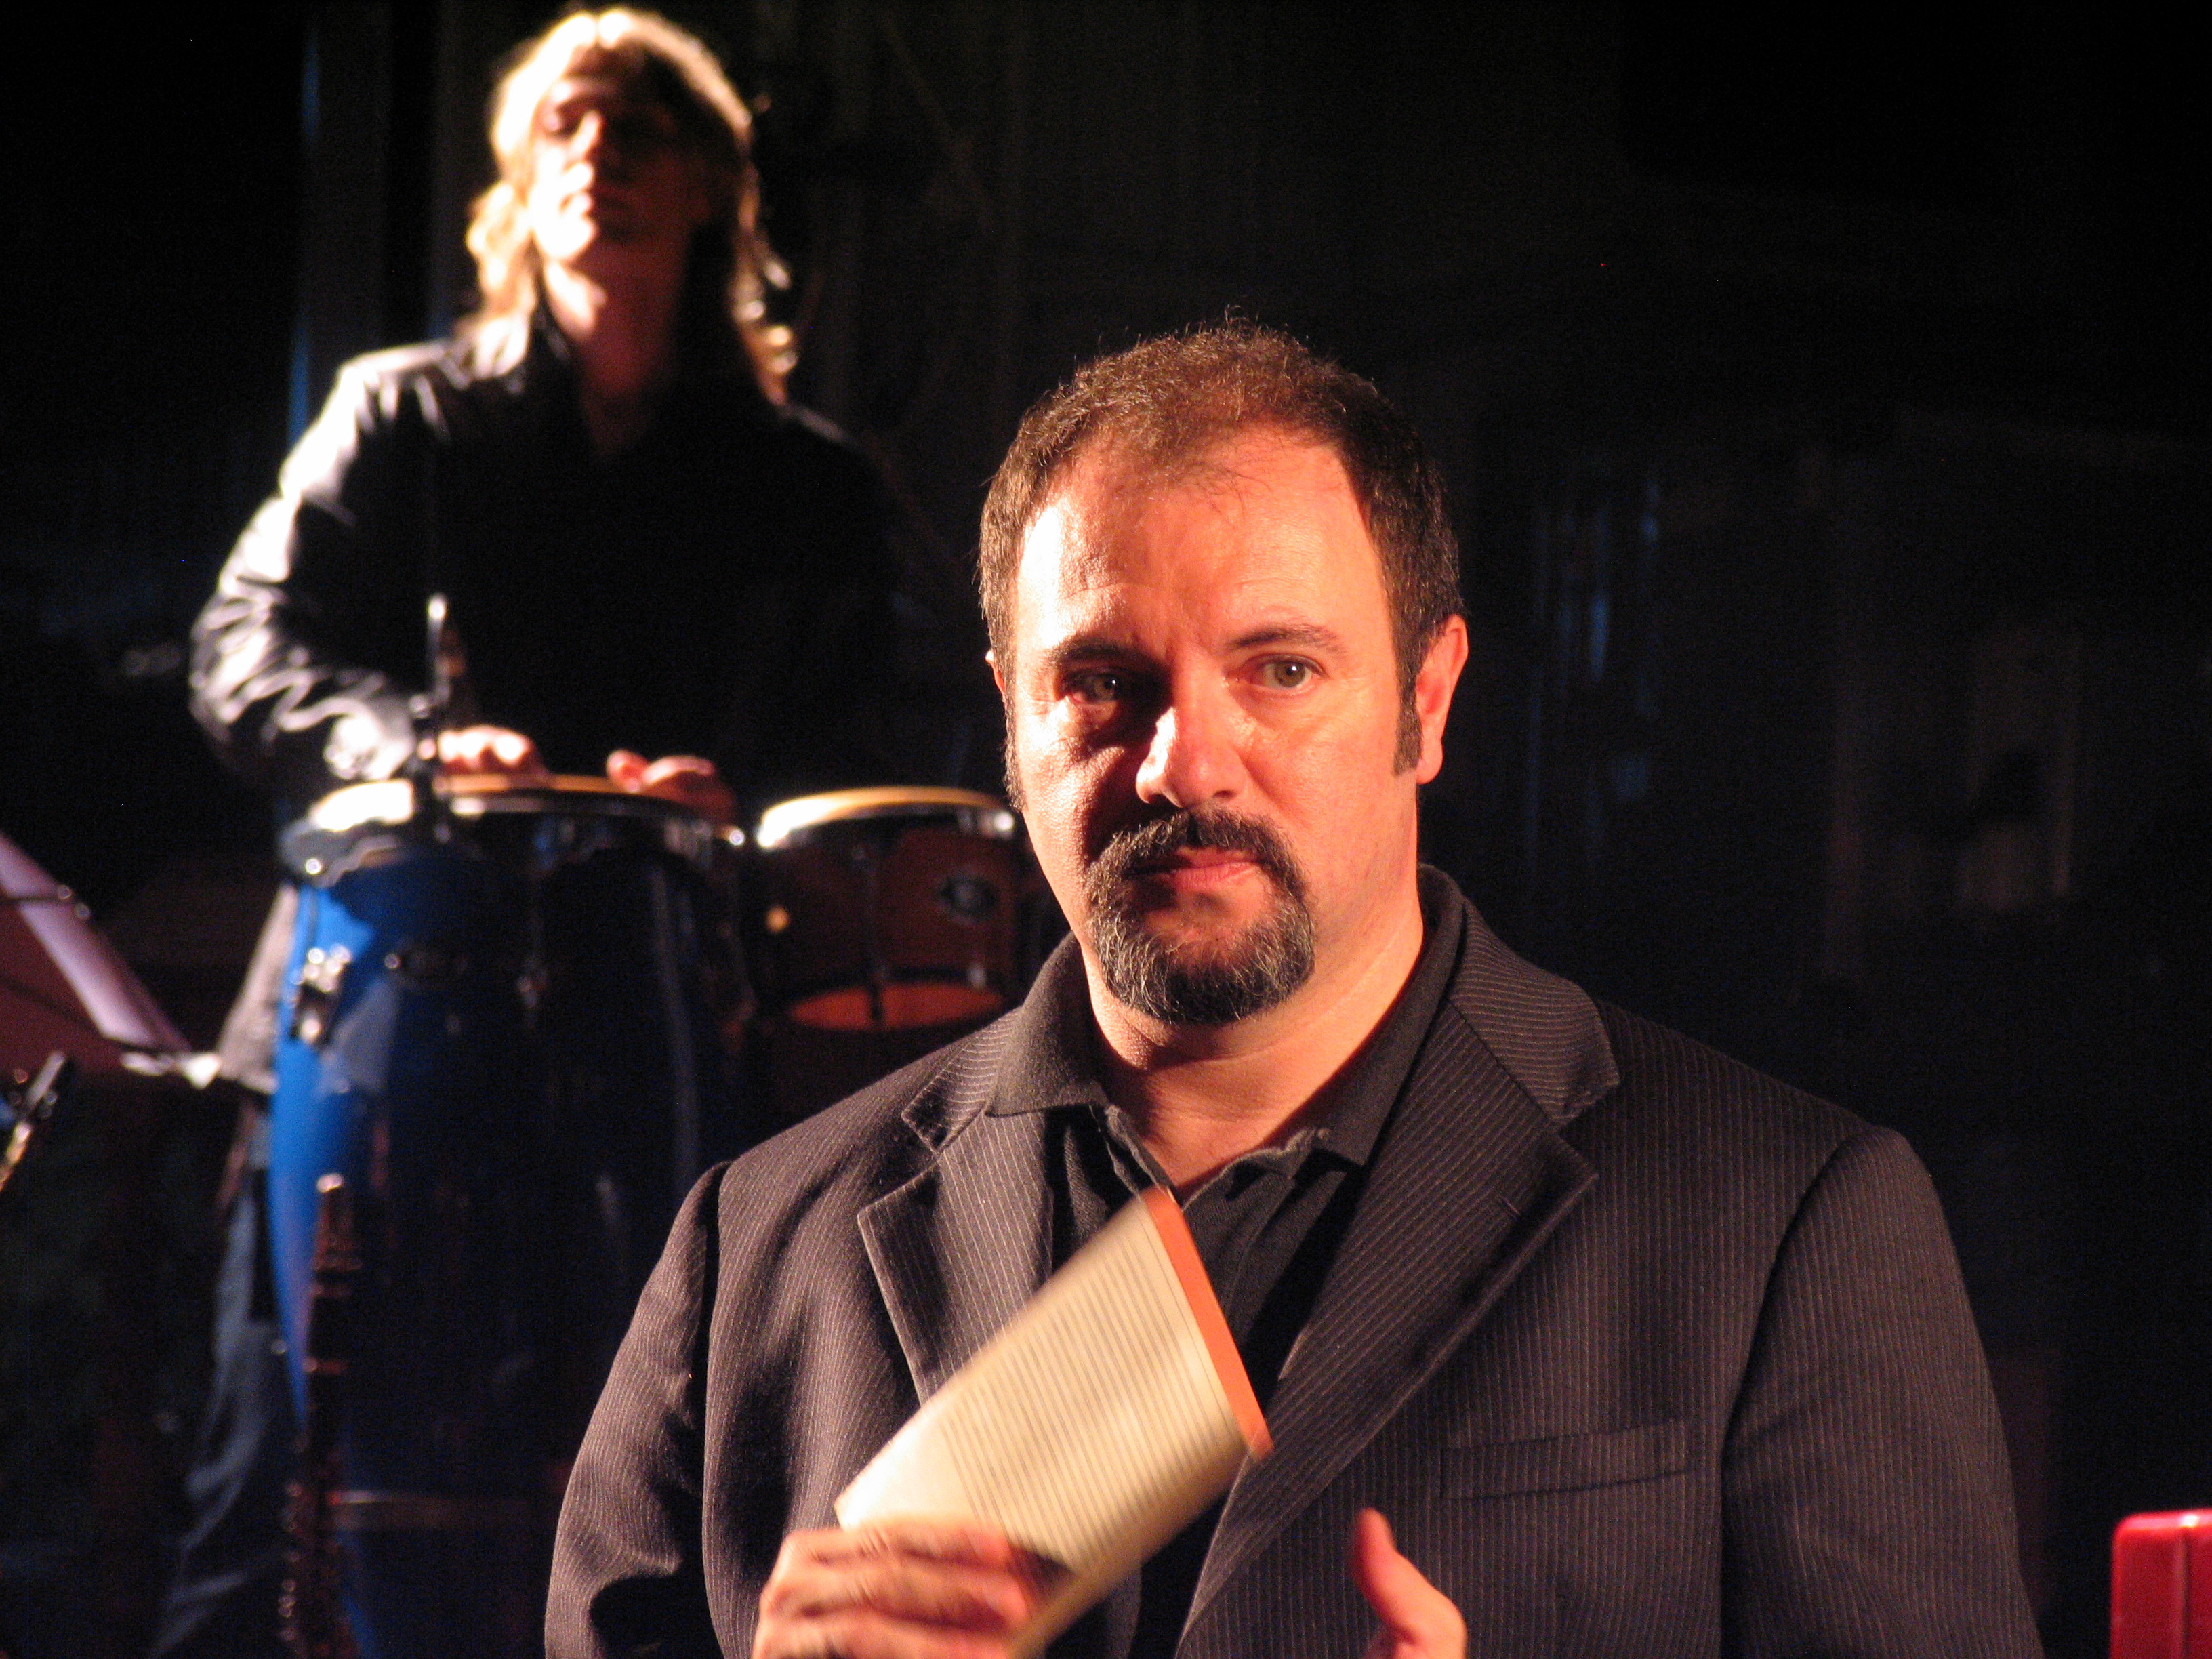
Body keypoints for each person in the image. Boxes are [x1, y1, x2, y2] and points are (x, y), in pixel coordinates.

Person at [544, 321, 2041, 1658]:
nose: (1183, 764)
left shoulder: (1783, 1227)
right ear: (1009, 713)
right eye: (1102, 682)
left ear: (1428, 700)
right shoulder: (754, 1256)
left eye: (1280, 671)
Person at [159, 12, 899, 1656]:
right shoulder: (397, 416)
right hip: (376, 1022)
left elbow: (876, 735)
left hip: (673, 1033)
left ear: (713, 190)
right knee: (272, 1505)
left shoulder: (808, 483)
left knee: (646, 1499)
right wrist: (410, 745)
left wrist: (743, 800)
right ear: (515, 182)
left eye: (640, 125)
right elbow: (240, 649)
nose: (598, 151)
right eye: (564, 122)